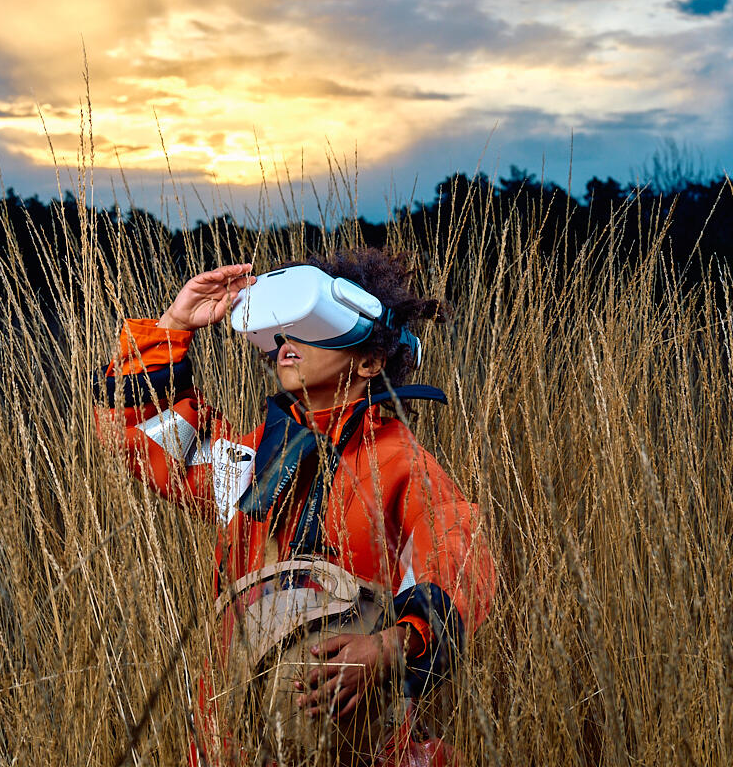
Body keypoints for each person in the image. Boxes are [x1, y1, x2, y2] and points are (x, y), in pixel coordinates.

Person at [94, 248, 495, 765]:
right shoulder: (260, 457)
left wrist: (389, 647)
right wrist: (173, 326)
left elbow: (461, 560)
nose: (286, 344)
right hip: (236, 740)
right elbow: (144, 439)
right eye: (281, 332)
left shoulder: (400, 465)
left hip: (352, 742)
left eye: (307, 328)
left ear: (370, 361)